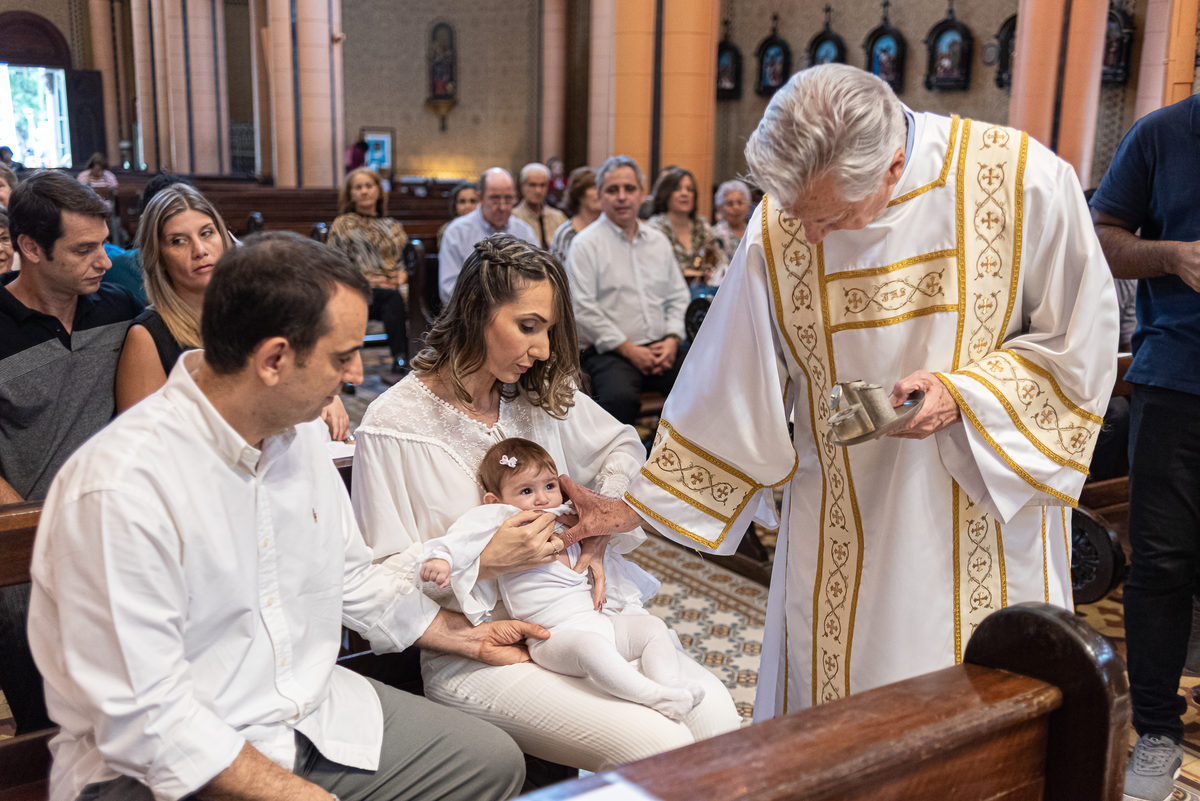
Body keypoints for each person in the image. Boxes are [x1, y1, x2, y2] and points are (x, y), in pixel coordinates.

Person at [562, 64, 1118, 720]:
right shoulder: (783, 221)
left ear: (892, 167)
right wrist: (632, 507)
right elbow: (729, 385)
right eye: (800, 216)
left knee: (980, 721)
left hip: (989, 513)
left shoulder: (1024, 181)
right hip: (840, 528)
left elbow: (1081, 347)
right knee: (843, 713)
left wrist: (964, 395)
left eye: (829, 217)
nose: (811, 236)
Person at [28, 232, 531, 801]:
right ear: (273, 360)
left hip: (304, 711)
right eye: (341, 357)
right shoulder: (121, 487)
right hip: (159, 766)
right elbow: (145, 719)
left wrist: (464, 637)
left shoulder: (300, 435)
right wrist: (298, 794)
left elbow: (351, 577)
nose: (353, 375)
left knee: (489, 762)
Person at [352, 233, 741, 771]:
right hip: (479, 650)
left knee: (717, 718)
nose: (542, 350)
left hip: (582, 616)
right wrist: (484, 562)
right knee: (657, 744)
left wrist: (597, 525)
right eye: (528, 326)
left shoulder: (536, 395)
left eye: (549, 331)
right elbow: (370, 577)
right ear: (475, 310)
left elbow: (622, 446)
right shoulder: (393, 424)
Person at [417, 437, 708, 721]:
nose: (542, 498)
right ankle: (655, 697)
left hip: (597, 621)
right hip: (552, 637)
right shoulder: (500, 519)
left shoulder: (566, 514)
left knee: (652, 627)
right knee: (591, 648)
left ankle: (670, 684)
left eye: (549, 486)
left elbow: (604, 512)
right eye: (526, 491)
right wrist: (442, 559)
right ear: (496, 500)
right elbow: (462, 537)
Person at [0, 170, 144, 735]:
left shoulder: (117, 308)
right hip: (28, 531)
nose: (104, 261)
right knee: (50, 723)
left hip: (114, 523)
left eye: (104, 245)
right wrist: (29, 528)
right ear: (31, 248)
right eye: (84, 250)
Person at [1089, 93, 1200, 801]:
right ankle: (1158, 730)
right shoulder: (1161, 134)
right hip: (1176, 380)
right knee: (1161, 562)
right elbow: (1102, 235)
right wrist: (1173, 256)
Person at [112, 184, 350, 436]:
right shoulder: (147, 337)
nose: (200, 250)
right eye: (178, 241)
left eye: (207, 233)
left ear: (223, 238)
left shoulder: (256, 312)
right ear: (158, 257)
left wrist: (326, 395)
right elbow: (141, 444)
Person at [569, 155, 691, 426]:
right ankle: (620, 455)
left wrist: (672, 339)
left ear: (642, 194)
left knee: (703, 382)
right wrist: (629, 349)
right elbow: (582, 310)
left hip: (662, 348)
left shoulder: (658, 242)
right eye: (612, 190)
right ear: (600, 196)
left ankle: (674, 450)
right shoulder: (585, 245)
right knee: (619, 398)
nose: (622, 197)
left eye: (629, 188)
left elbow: (678, 296)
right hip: (610, 353)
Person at [328, 167, 410, 384]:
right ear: (351, 194)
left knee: (396, 298)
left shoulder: (393, 226)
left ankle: (408, 363)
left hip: (392, 292)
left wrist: (399, 279)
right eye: (358, 187)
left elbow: (402, 264)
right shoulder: (342, 224)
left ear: (378, 191)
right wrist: (372, 281)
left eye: (369, 186)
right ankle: (401, 362)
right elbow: (338, 267)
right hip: (358, 292)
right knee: (392, 298)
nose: (364, 191)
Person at [438, 168, 539, 303]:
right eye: (495, 199)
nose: (502, 207)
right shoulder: (457, 232)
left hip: (519, 307)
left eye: (508, 199)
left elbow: (538, 277)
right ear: (480, 198)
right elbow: (448, 289)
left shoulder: (524, 231)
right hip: (474, 311)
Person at [647, 167, 727, 286]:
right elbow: (655, 269)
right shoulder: (655, 227)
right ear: (666, 193)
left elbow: (721, 260)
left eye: (690, 189)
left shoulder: (701, 225)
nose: (685, 194)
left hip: (702, 292)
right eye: (677, 189)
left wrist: (718, 272)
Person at [549, 167, 600, 267]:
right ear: (580, 195)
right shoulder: (565, 234)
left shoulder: (610, 228)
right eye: (594, 187)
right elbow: (560, 273)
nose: (600, 192)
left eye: (602, 187)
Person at [513, 163, 568, 250]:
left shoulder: (558, 217)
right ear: (522, 185)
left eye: (542, 185)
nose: (538, 191)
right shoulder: (513, 217)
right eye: (532, 185)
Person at [712, 179, 752, 266]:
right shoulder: (714, 236)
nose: (736, 207)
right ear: (720, 208)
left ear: (748, 205)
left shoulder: (754, 234)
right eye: (730, 204)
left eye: (740, 203)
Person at [437, 181, 480, 250]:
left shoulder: (487, 227)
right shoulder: (447, 229)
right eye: (462, 201)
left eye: (473, 201)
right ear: (455, 205)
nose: (467, 206)